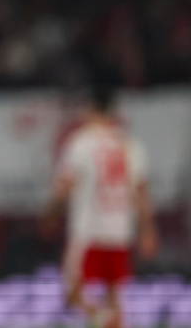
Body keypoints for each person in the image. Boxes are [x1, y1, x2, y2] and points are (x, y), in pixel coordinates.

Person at [42, 87, 158, 328]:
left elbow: (64, 185)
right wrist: (147, 230)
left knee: (73, 295)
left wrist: (50, 213)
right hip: (120, 232)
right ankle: (111, 320)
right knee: (115, 297)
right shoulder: (129, 145)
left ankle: (104, 320)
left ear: (91, 110)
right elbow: (141, 192)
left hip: (88, 231)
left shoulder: (81, 143)